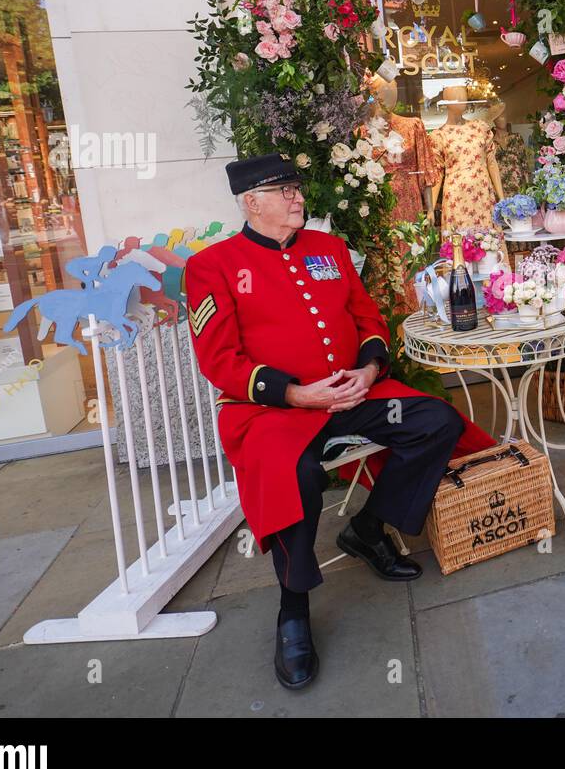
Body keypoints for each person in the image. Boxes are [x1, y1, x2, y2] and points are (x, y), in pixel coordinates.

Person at [185, 153, 495, 690]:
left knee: (434, 420)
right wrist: (295, 393)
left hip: (354, 393)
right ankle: (293, 609)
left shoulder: (328, 250)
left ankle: (369, 529)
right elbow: (219, 361)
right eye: (283, 191)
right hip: (275, 411)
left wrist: (370, 370)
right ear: (250, 202)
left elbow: (366, 317)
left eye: (297, 188)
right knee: (295, 472)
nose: (297, 198)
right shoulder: (212, 266)